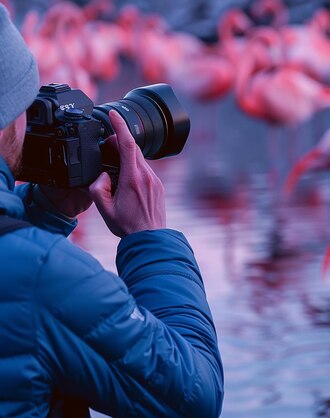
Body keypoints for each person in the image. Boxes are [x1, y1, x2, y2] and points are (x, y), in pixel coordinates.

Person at [0, 5, 223, 417]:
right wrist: (150, 240)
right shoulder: (40, 276)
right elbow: (195, 397)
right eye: (25, 103)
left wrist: (40, 215)